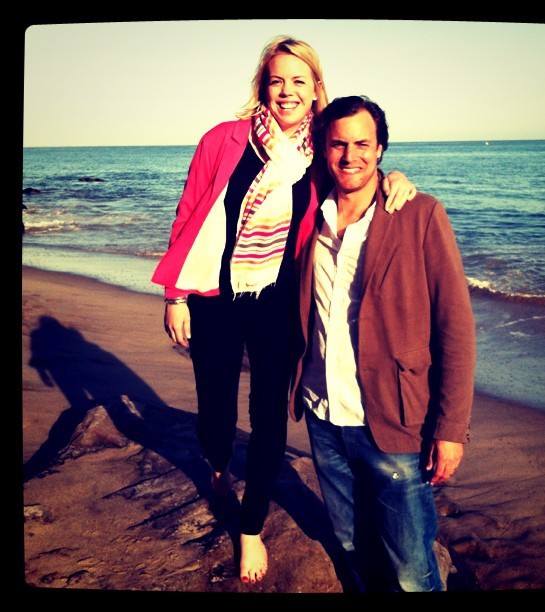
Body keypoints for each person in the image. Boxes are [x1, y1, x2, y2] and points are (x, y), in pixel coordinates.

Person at [151, 37, 416, 585]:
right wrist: (175, 295)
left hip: (279, 302)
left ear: (316, 88)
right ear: (263, 86)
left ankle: (250, 528)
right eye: (277, 80)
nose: (287, 91)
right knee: (215, 415)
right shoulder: (222, 140)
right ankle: (218, 465)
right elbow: (189, 214)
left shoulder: (321, 150)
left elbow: (358, 177)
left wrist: (396, 178)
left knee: (269, 415)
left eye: (300, 80)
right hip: (214, 297)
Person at [289, 95, 476, 592]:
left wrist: (451, 429)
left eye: (362, 144)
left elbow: (455, 326)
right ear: (322, 149)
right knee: (352, 546)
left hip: (394, 420)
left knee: (412, 569)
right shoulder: (309, 213)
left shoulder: (419, 213)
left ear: (380, 149)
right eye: (338, 144)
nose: (350, 155)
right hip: (324, 415)